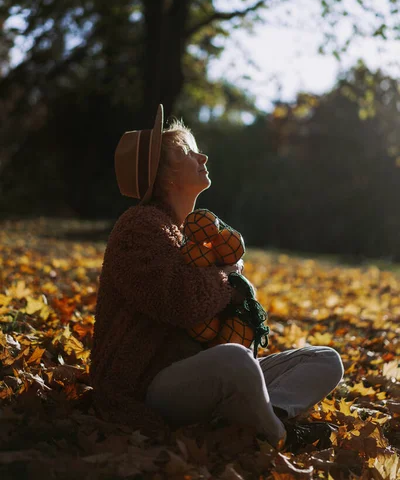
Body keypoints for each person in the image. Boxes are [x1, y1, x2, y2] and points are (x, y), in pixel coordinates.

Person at [90, 104, 344, 450]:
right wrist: (227, 277)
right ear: (165, 176)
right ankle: (278, 437)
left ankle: (267, 416)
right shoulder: (139, 226)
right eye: (187, 153)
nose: (203, 157)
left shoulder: (187, 234)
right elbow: (179, 303)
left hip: (197, 373)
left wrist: (229, 285)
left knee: (324, 359)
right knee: (235, 361)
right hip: (146, 384)